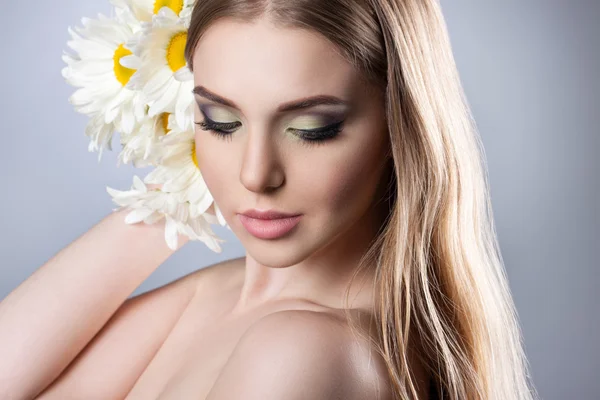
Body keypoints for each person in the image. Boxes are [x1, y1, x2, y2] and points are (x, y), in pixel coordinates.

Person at [0, 0, 538, 399]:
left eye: (312, 128)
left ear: (403, 128)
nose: (255, 174)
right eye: (220, 121)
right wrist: (176, 193)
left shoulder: (307, 350)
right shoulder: (223, 294)